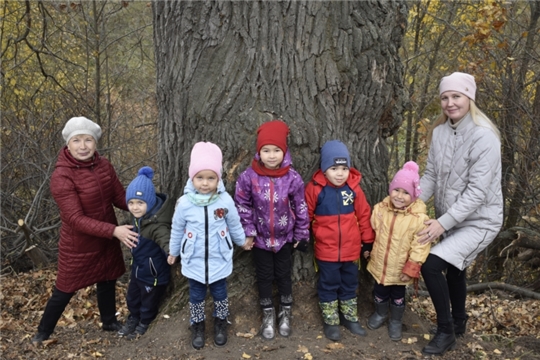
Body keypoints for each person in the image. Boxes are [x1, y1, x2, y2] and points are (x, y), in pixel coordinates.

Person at [32, 116, 139, 345]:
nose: (83, 146)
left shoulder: (104, 166)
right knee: (64, 289)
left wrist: (145, 203)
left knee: (108, 278)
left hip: (107, 238)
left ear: (95, 142)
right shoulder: (62, 176)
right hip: (79, 245)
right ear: (67, 145)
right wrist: (114, 231)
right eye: (77, 140)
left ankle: (109, 322)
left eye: (88, 140)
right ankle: (42, 333)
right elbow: (74, 218)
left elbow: (120, 197)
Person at [418, 72, 503, 356]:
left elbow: (477, 193)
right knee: (455, 269)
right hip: (451, 217)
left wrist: (441, 224)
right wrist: (411, 204)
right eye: (445, 97)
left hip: (480, 221)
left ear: (470, 99)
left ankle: (446, 332)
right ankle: (459, 322)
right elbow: (430, 175)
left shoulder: (484, 136)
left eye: (457, 96)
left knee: (431, 265)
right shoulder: (441, 132)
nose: (450, 103)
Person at [168, 142, 248, 350]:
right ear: (192, 178)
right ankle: (197, 324)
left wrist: (242, 241)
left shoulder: (224, 200)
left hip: (219, 258)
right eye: (200, 178)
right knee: (196, 296)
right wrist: (173, 251)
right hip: (193, 260)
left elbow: (234, 223)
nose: (205, 183)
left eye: (210, 178)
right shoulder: (184, 203)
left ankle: (221, 323)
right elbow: (177, 229)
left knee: (220, 293)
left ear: (218, 178)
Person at [234, 120, 310, 340]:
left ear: (284, 152)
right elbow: (242, 204)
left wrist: (301, 234)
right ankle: (267, 315)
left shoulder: (292, 178)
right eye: (266, 150)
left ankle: (285, 314)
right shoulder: (248, 177)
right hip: (260, 240)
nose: (271, 155)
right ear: (259, 152)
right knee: (265, 277)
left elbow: (301, 206)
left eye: (276, 150)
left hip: (285, 239)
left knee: (284, 276)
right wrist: (248, 231)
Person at [304, 140, 375, 341]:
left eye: (344, 168)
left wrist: (367, 242)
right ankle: (331, 320)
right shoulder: (315, 189)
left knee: (349, 284)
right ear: (325, 169)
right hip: (326, 251)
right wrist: (301, 236)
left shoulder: (353, 190)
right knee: (328, 284)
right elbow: (305, 215)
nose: (340, 173)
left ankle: (349, 317)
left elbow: (364, 216)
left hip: (352, 251)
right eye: (334, 168)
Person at [366, 161, 430, 341]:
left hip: (401, 268)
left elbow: (421, 245)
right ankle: (380, 313)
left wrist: (412, 267)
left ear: (414, 196)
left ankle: (395, 320)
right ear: (390, 189)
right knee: (379, 290)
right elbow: (372, 229)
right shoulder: (381, 209)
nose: (400, 196)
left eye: (406, 193)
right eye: (396, 190)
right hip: (380, 264)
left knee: (398, 295)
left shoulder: (418, 219)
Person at [117, 166, 174, 340]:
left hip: (154, 274)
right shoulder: (138, 218)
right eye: (131, 203)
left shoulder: (156, 224)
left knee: (148, 302)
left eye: (140, 203)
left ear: (149, 202)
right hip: (138, 269)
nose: (135, 207)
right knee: (132, 297)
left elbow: (165, 239)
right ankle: (134, 318)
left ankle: (145, 321)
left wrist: (171, 252)